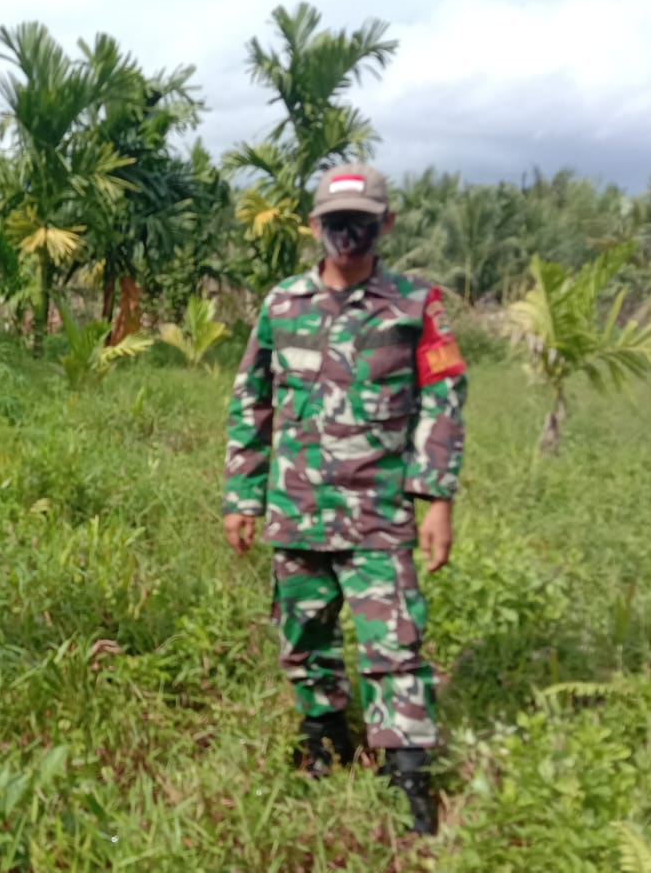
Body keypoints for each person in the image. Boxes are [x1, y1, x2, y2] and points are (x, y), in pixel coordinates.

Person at [221, 162, 467, 835]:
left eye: (361, 221)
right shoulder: (282, 306)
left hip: (378, 514)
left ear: (384, 223)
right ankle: (323, 735)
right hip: (294, 509)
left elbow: (443, 401)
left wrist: (436, 497)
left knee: (394, 644)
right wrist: (240, 495)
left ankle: (405, 771)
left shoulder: (416, 306)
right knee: (303, 638)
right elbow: (252, 402)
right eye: (335, 222)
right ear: (314, 226)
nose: (347, 234)